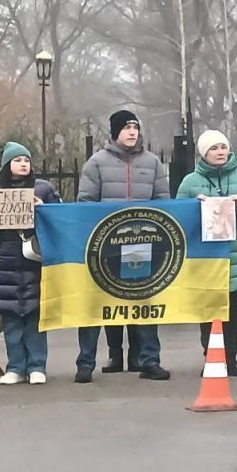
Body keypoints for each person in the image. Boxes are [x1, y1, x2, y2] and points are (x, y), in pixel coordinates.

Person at [76, 110, 171, 383]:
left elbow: (163, 202)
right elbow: (85, 203)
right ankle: (85, 363)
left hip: (141, 244)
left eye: (135, 127)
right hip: (105, 246)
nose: (132, 132)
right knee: (96, 304)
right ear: (115, 132)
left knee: (144, 301)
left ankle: (149, 360)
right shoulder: (96, 163)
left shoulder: (152, 162)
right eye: (127, 127)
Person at [176, 130, 237, 377]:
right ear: (204, 153)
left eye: (223, 147)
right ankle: (211, 357)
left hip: (235, 253)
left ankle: (231, 358)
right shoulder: (190, 182)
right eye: (214, 148)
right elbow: (177, 218)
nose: (220, 152)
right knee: (208, 309)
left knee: (231, 310)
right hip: (204, 254)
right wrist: (195, 207)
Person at [0, 143, 61, 385]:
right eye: (17, 160)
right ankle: (15, 367)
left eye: (26, 160)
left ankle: (37, 365)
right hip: (4, 263)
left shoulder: (43, 189)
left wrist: (45, 210)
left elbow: (61, 219)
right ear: (7, 165)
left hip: (35, 260)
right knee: (11, 319)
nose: (23, 164)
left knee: (35, 316)